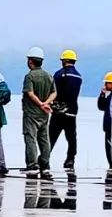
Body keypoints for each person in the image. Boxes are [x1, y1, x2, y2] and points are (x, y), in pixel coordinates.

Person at [22, 46, 56, 179]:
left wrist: (41, 104)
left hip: (31, 113)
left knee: (30, 139)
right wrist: (46, 103)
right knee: (44, 140)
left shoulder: (29, 76)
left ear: (30, 61)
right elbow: (54, 93)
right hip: (44, 114)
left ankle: (32, 166)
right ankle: (45, 166)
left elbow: (30, 93)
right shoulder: (49, 76)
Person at [49, 49, 83, 172]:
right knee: (71, 137)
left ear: (64, 61)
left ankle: (44, 158)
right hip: (72, 111)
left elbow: (53, 90)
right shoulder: (78, 76)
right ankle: (70, 159)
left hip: (59, 111)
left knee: (51, 136)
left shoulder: (59, 74)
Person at [97, 71, 112, 180]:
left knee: (109, 147)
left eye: (107, 83)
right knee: (108, 147)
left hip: (110, 127)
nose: (105, 85)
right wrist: (102, 95)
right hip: (108, 126)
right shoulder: (110, 96)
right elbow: (102, 106)